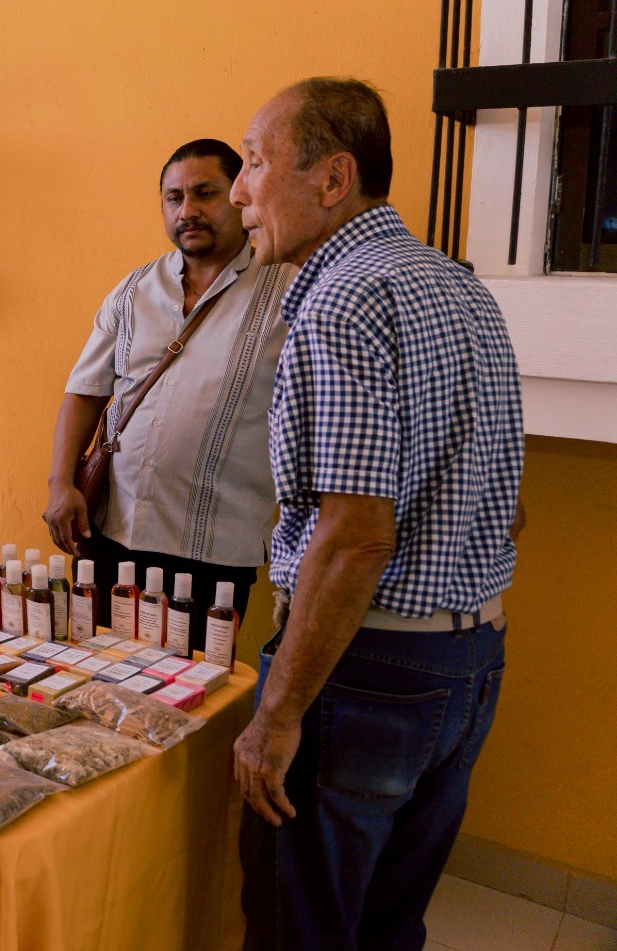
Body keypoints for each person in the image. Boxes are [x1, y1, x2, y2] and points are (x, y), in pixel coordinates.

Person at [228, 78, 523, 950]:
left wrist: (279, 716)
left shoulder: (341, 299)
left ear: (333, 178)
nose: (242, 190)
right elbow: (509, 511)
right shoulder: (462, 288)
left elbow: (355, 535)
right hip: (468, 661)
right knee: (388, 925)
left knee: (300, 926)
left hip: (368, 671)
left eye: (253, 161)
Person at [43, 139, 294, 651]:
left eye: (205, 193)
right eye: (174, 198)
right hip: (108, 535)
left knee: (185, 698)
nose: (189, 211)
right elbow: (86, 391)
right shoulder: (135, 290)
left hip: (210, 556)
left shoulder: (288, 293)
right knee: (92, 678)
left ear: (240, 195)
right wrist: (59, 483)